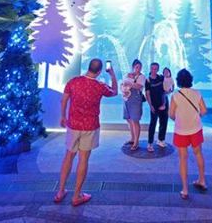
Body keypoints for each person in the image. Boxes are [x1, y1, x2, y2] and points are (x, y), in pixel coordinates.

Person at [55, 58, 118, 207]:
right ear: (100, 71)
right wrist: (113, 74)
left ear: (89, 67)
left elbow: (64, 99)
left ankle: (60, 191)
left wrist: (63, 116)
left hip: (73, 125)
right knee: (83, 159)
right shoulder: (100, 86)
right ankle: (76, 196)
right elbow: (115, 91)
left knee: (68, 156)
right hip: (90, 127)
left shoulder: (74, 81)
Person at [168, 69, 208, 200]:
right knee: (198, 153)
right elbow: (204, 110)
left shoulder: (175, 95)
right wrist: (196, 117)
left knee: (183, 158)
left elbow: (171, 114)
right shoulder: (197, 93)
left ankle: (185, 189)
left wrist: (179, 120)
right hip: (196, 129)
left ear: (178, 81)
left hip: (181, 130)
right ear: (190, 80)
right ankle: (202, 180)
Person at [122, 59, 145, 150]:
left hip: (136, 100)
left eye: (139, 68)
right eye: (136, 67)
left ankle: (136, 141)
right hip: (127, 99)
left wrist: (129, 83)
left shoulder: (141, 77)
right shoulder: (128, 76)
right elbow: (123, 84)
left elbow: (139, 86)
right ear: (133, 67)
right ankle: (132, 138)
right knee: (128, 119)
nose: (138, 69)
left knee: (135, 120)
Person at [145, 62, 169, 151]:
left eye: (155, 69)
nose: (154, 70)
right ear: (150, 69)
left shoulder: (162, 78)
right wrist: (150, 106)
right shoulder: (148, 80)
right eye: (152, 68)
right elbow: (147, 94)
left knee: (164, 122)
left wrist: (168, 92)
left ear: (158, 70)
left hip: (164, 103)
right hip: (154, 105)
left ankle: (161, 140)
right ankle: (150, 143)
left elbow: (168, 88)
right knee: (153, 123)